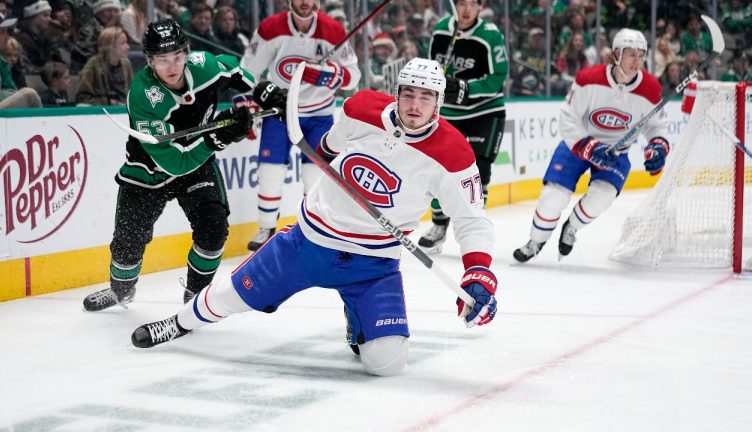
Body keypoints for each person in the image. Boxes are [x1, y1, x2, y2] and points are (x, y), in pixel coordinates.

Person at [129, 58, 498, 377]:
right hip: (308, 243)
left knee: (387, 364)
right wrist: (323, 163)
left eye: (426, 96)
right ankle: (177, 323)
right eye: (408, 94)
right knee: (228, 296)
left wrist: (478, 273)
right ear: (396, 91)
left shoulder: (454, 154)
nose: (415, 105)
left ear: (439, 102)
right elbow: (328, 147)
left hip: (374, 264)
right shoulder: (362, 108)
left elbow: (471, 219)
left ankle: (359, 322)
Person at [81, 19, 286, 311]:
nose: (172, 66)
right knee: (127, 244)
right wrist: (216, 139)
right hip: (147, 172)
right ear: (149, 61)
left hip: (197, 164)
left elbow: (237, 72)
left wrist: (262, 90)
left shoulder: (206, 66)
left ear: (187, 52)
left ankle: (195, 297)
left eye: (177, 57)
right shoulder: (143, 96)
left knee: (214, 228)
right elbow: (175, 162)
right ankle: (121, 290)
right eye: (162, 60)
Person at [513, 29, 669, 262]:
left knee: (602, 196)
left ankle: (571, 227)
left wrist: (657, 148)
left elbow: (658, 127)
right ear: (617, 54)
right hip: (578, 144)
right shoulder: (589, 79)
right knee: (552, 197)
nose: (636, 60)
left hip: (616, 153)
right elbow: (568, 119)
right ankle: (535, 241)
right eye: (630, 54)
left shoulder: (649, 89)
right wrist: (588, 146)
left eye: (640, 55)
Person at [240, 0, 361, 251]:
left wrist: (331, 75)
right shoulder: (271, 28)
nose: (305, 2)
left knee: (315, 177)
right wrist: (247, 103)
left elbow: (354, 76)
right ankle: (266, 227)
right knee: (270, 172)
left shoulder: (333, 30)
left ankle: (312, 229)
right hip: (280, 111)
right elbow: (248, 70)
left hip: (319, 114)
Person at [423, 0, 508, 254]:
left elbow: (497, 78)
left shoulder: (490, 36)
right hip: (449, 113)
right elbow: (433, 69)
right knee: (438, 169)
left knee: (479, 173)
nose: (467, 9)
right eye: (462, 3)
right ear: (454, 5)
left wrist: (465, 89)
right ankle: (439, 225)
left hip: (485, 112)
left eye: (473, 3)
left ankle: (474, 232)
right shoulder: (440, 30)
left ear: (481, 6)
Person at [0, 12, 42, 109]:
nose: (7, 36)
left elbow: (10, 90)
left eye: (7, 31)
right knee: (29, 95)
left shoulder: (0, 60)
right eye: (2, 32)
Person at [75, 26, 133, 106]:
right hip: (101, 110)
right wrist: (108, 102)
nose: (128, 47)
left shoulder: (126, 64)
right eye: (123, 43)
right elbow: (82, 97)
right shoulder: (94, 64)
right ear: (110, 46)